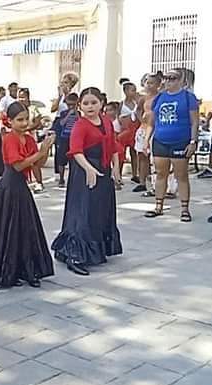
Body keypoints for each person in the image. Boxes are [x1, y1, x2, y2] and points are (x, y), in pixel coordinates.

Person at [52, 87, 123, 276]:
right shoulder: (80, 125)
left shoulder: (107, 122)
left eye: (94, 102)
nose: (90, 106)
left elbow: (113, 145)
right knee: (82, 211)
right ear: (80, 106)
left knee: (100, 209)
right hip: (83, 171)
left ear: (101, 103)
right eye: (86, 103)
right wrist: (89, 168)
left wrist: (116, 167)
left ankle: (97, 249)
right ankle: (75, 255)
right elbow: (76, 151)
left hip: (103, 169)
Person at [0, 102, 55, 289]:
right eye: (19, 120)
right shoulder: (9, 139)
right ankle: (8, 269)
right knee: (9, 229)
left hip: (21, 188)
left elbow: (37, 165)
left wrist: (45, 148)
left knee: (26, 228)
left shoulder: (29, 139)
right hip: (9, 187)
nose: (24, 123)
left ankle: (28, 269)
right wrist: (40, 151)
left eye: (26, 119)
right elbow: (18, 165)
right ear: (10, 121)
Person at [144, 68, 199, 222]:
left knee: (181, 175)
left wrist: (193, 141)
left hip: (180, 141)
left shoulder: (188, 97)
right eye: (166, 78)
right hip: (160, 140)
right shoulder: (159, 98)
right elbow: (152, 121)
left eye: (173, 78)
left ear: (181, 81)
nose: (168, 81)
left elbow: (194, 122)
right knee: (161, 174)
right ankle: (158, 206)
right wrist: (147, 140)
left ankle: (184, 209)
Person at [133, 72, 162, 194]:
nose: (149, 85)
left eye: (152, 83)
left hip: (156, 129)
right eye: (147, 83)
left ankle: (156, 184)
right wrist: (141, 119)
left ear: (158, 84)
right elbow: (138, 110)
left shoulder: (161, 97)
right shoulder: (143, 98)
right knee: (142, 156)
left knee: (155, 158)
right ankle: (142, 181)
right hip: (143, 128)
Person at [50, 93, 80, 188]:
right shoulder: (63, 113)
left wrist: (76, 114)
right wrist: (68, 115)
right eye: (69, 104)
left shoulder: (78, 114)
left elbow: (81, 123)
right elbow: (62, 123)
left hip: (74, 138)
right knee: (61, 159)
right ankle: (61, 178)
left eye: (73, 105)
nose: (71, 107)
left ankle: (72, 179)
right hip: (64, 138)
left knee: (74, 159)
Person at [18, 88, 45, 192]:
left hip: (30, 137)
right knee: (20, 160)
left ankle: (39, 182)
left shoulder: (33, 109)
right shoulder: (17, 109)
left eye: (23, 97)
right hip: (19, 138)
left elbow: (38, 122)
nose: (21, 99)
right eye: (19, 97)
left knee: (34, 162)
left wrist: (27, 128)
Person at [117, 80, 140, 183]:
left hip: (135, 129)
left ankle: (135, 174)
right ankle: (119, 174)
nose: (134, 92)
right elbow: (117, 116)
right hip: (125, 130)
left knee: (134, 152)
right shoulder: (121, 104)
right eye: (132, 90)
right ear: (125, 91)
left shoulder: (137, 103)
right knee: (121, 153)